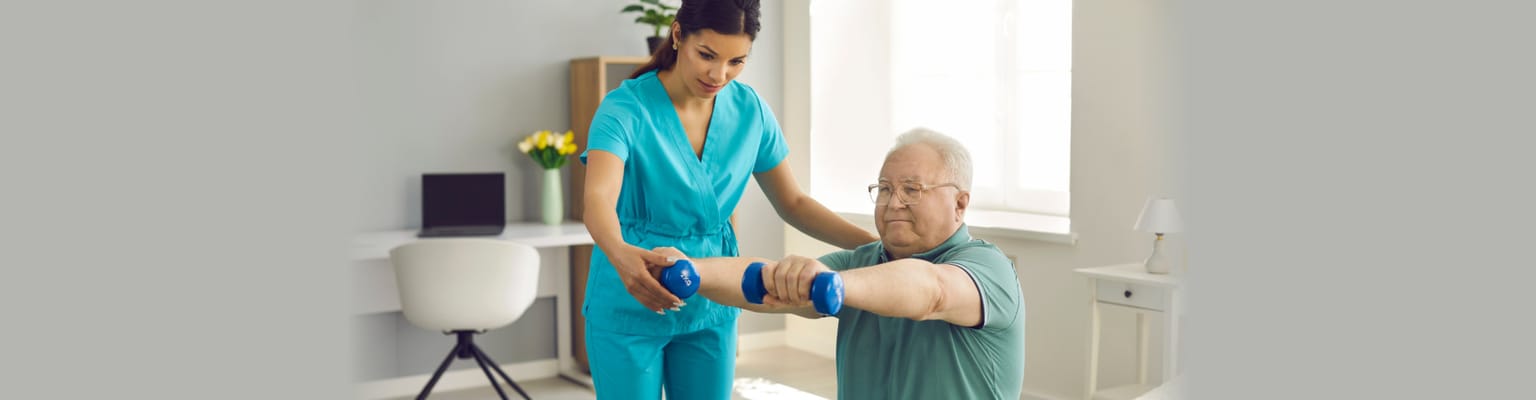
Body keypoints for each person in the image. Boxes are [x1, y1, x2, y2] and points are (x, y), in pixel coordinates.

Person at [579, 0, 878, 398]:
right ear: (678, 34)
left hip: (713, 296)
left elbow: (793, 203)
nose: (719, 74)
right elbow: (598, 199)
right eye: (707, 55)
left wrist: (878, 249)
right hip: (630, 295)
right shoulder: (625, 108)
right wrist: (620, 255)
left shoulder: (749, 110)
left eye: (737, 61)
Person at [651, 128, 1026, 400]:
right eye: (884, 189)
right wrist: (693, 270)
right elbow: (765, 283)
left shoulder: (987, 268)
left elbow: (932, 292)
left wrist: (838, 285)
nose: (893, 203)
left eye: (913, 190)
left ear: (960, 204)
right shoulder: (861, 261)